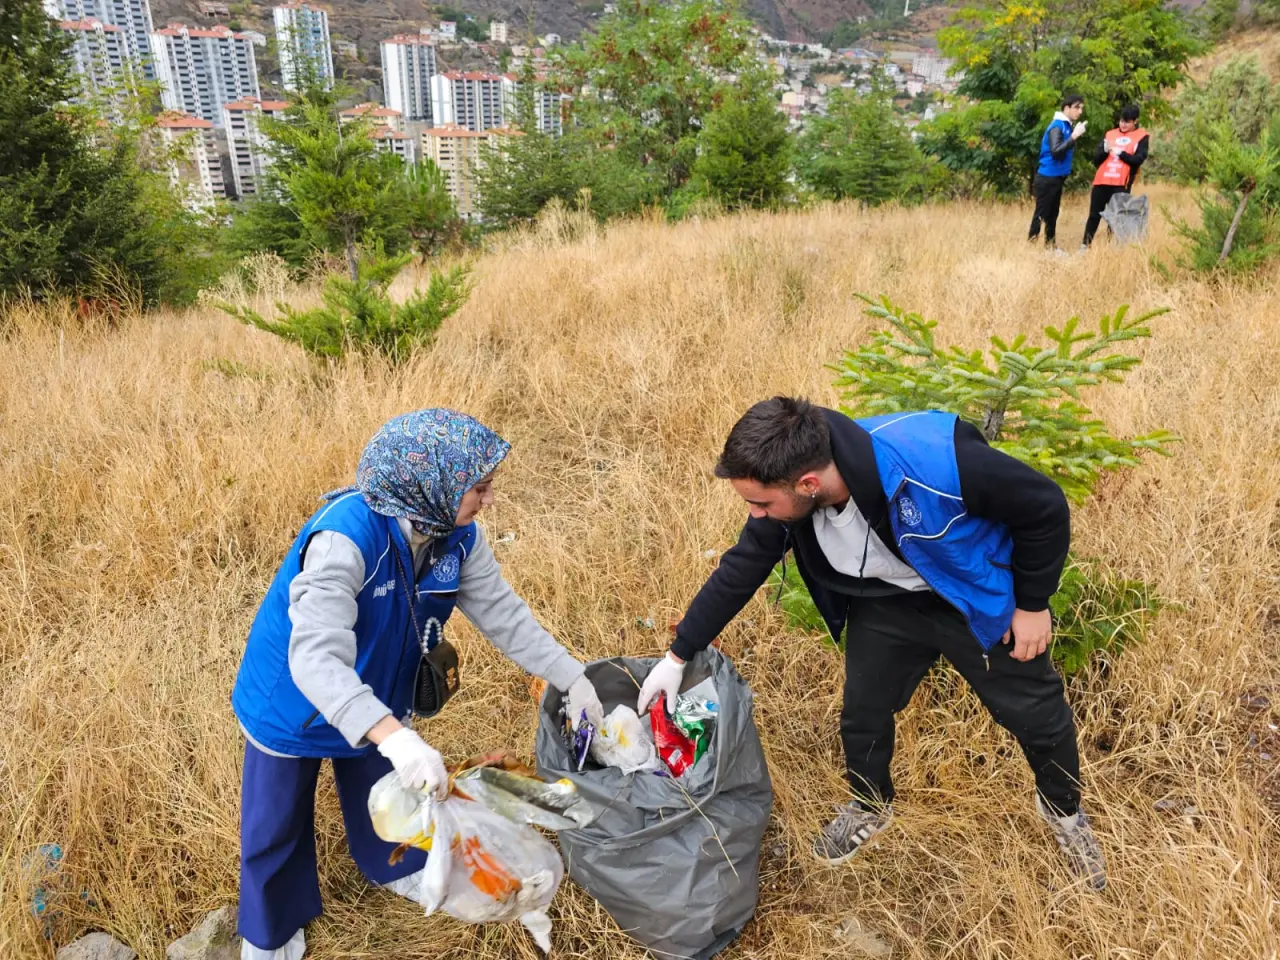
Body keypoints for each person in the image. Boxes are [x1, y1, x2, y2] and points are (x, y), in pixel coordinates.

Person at [638, 399, 1107, 890]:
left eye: (761, 504)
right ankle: (869, 803)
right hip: (885, 604)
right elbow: (740, 570)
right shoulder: (788, 500)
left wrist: (1032, 605)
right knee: (863, 712)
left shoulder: (931, 462)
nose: (755, 515)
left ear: (808, 485)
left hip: (968, 596)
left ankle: (1065, 813)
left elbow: (1045, 507)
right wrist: (678, 656)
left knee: (1036, 716)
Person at [232, 409, 606, 960]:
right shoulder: (346, 537)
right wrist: (395, 736)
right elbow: (313, 658)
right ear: (430, 485)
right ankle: (269, 933)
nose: (488, 500)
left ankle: (395, 868)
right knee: (276, 822)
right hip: (292, 701)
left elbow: (504, 614)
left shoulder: (456, 536)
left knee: (386, 798)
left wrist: (572, 676)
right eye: (478, 488)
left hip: (381, 688)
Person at [1081, 104, 1149, 248]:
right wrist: (1104, 151)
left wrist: (1122, 154)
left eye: (1127, 122)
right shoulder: (1110, 134)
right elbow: (1096, 160)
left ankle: (1111, 247)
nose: (1123, 124)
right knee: (1094, 215)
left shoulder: (1141, 136)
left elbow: (1139, 160)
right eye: (1121, 121)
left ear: (1135, 121)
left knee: (1116, 218)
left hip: (1121, 184)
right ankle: (1085, 246)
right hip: (1101, 181)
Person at [1028, 94, 1087, 248]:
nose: (1080, 111)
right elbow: (1056, 151)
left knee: (1053, 214)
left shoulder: (1066, 125)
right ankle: (1031, 245)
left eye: (1081, 108)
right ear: (1066, 108)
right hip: (1047, 177)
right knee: (1041, 214)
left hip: (1057, 178)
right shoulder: (1057, 125)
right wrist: (1074, 137)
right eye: (1076, 107)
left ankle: (1050, 245)